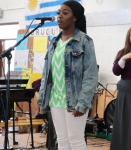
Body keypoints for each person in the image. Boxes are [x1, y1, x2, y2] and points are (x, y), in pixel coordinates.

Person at [37, 1, 98, 150]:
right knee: (62, 140)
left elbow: (91, 75)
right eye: (59, 13)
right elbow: (47, 74)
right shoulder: (54, 43)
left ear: (75, 17)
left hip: (75, 99)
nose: (59, 16)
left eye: (65, 13)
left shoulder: (85, 41)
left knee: (75, 140)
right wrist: (42, 98)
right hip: (55, 98)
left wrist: (83, 103)